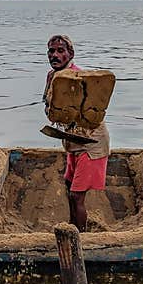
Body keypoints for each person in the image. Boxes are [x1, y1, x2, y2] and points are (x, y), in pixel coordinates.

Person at [43, 34, 111, 232]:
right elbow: (52, 112)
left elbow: (90, 112)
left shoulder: (79, 78)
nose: (55, 55)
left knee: (76, 195)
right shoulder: (52, 77)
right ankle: (73, 229)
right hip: (73, 142)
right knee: (68, 185)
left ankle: (80, 238)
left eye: (60, 51)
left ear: (70, 54)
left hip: (91, 143)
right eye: (51, 51)